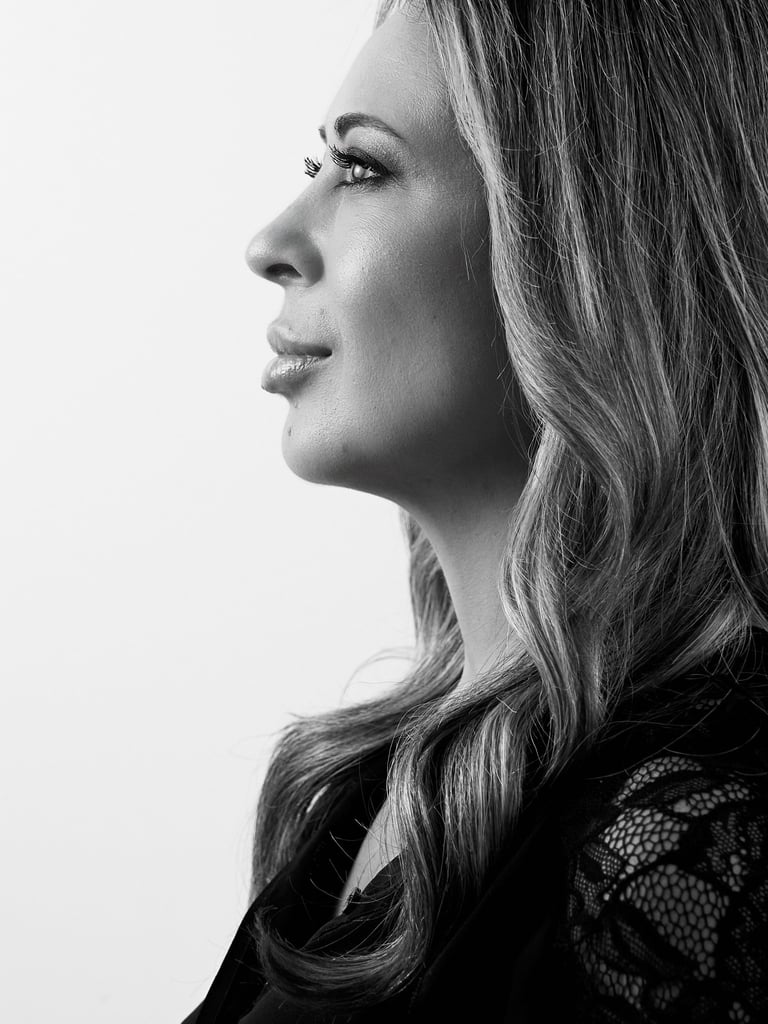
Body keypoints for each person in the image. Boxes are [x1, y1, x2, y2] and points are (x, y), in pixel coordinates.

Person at [180, 0, 768, 1020]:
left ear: (584, 243)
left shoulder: (687, 841)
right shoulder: (382, 792)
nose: (271, 242)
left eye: (362, 167)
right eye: (316, 165)